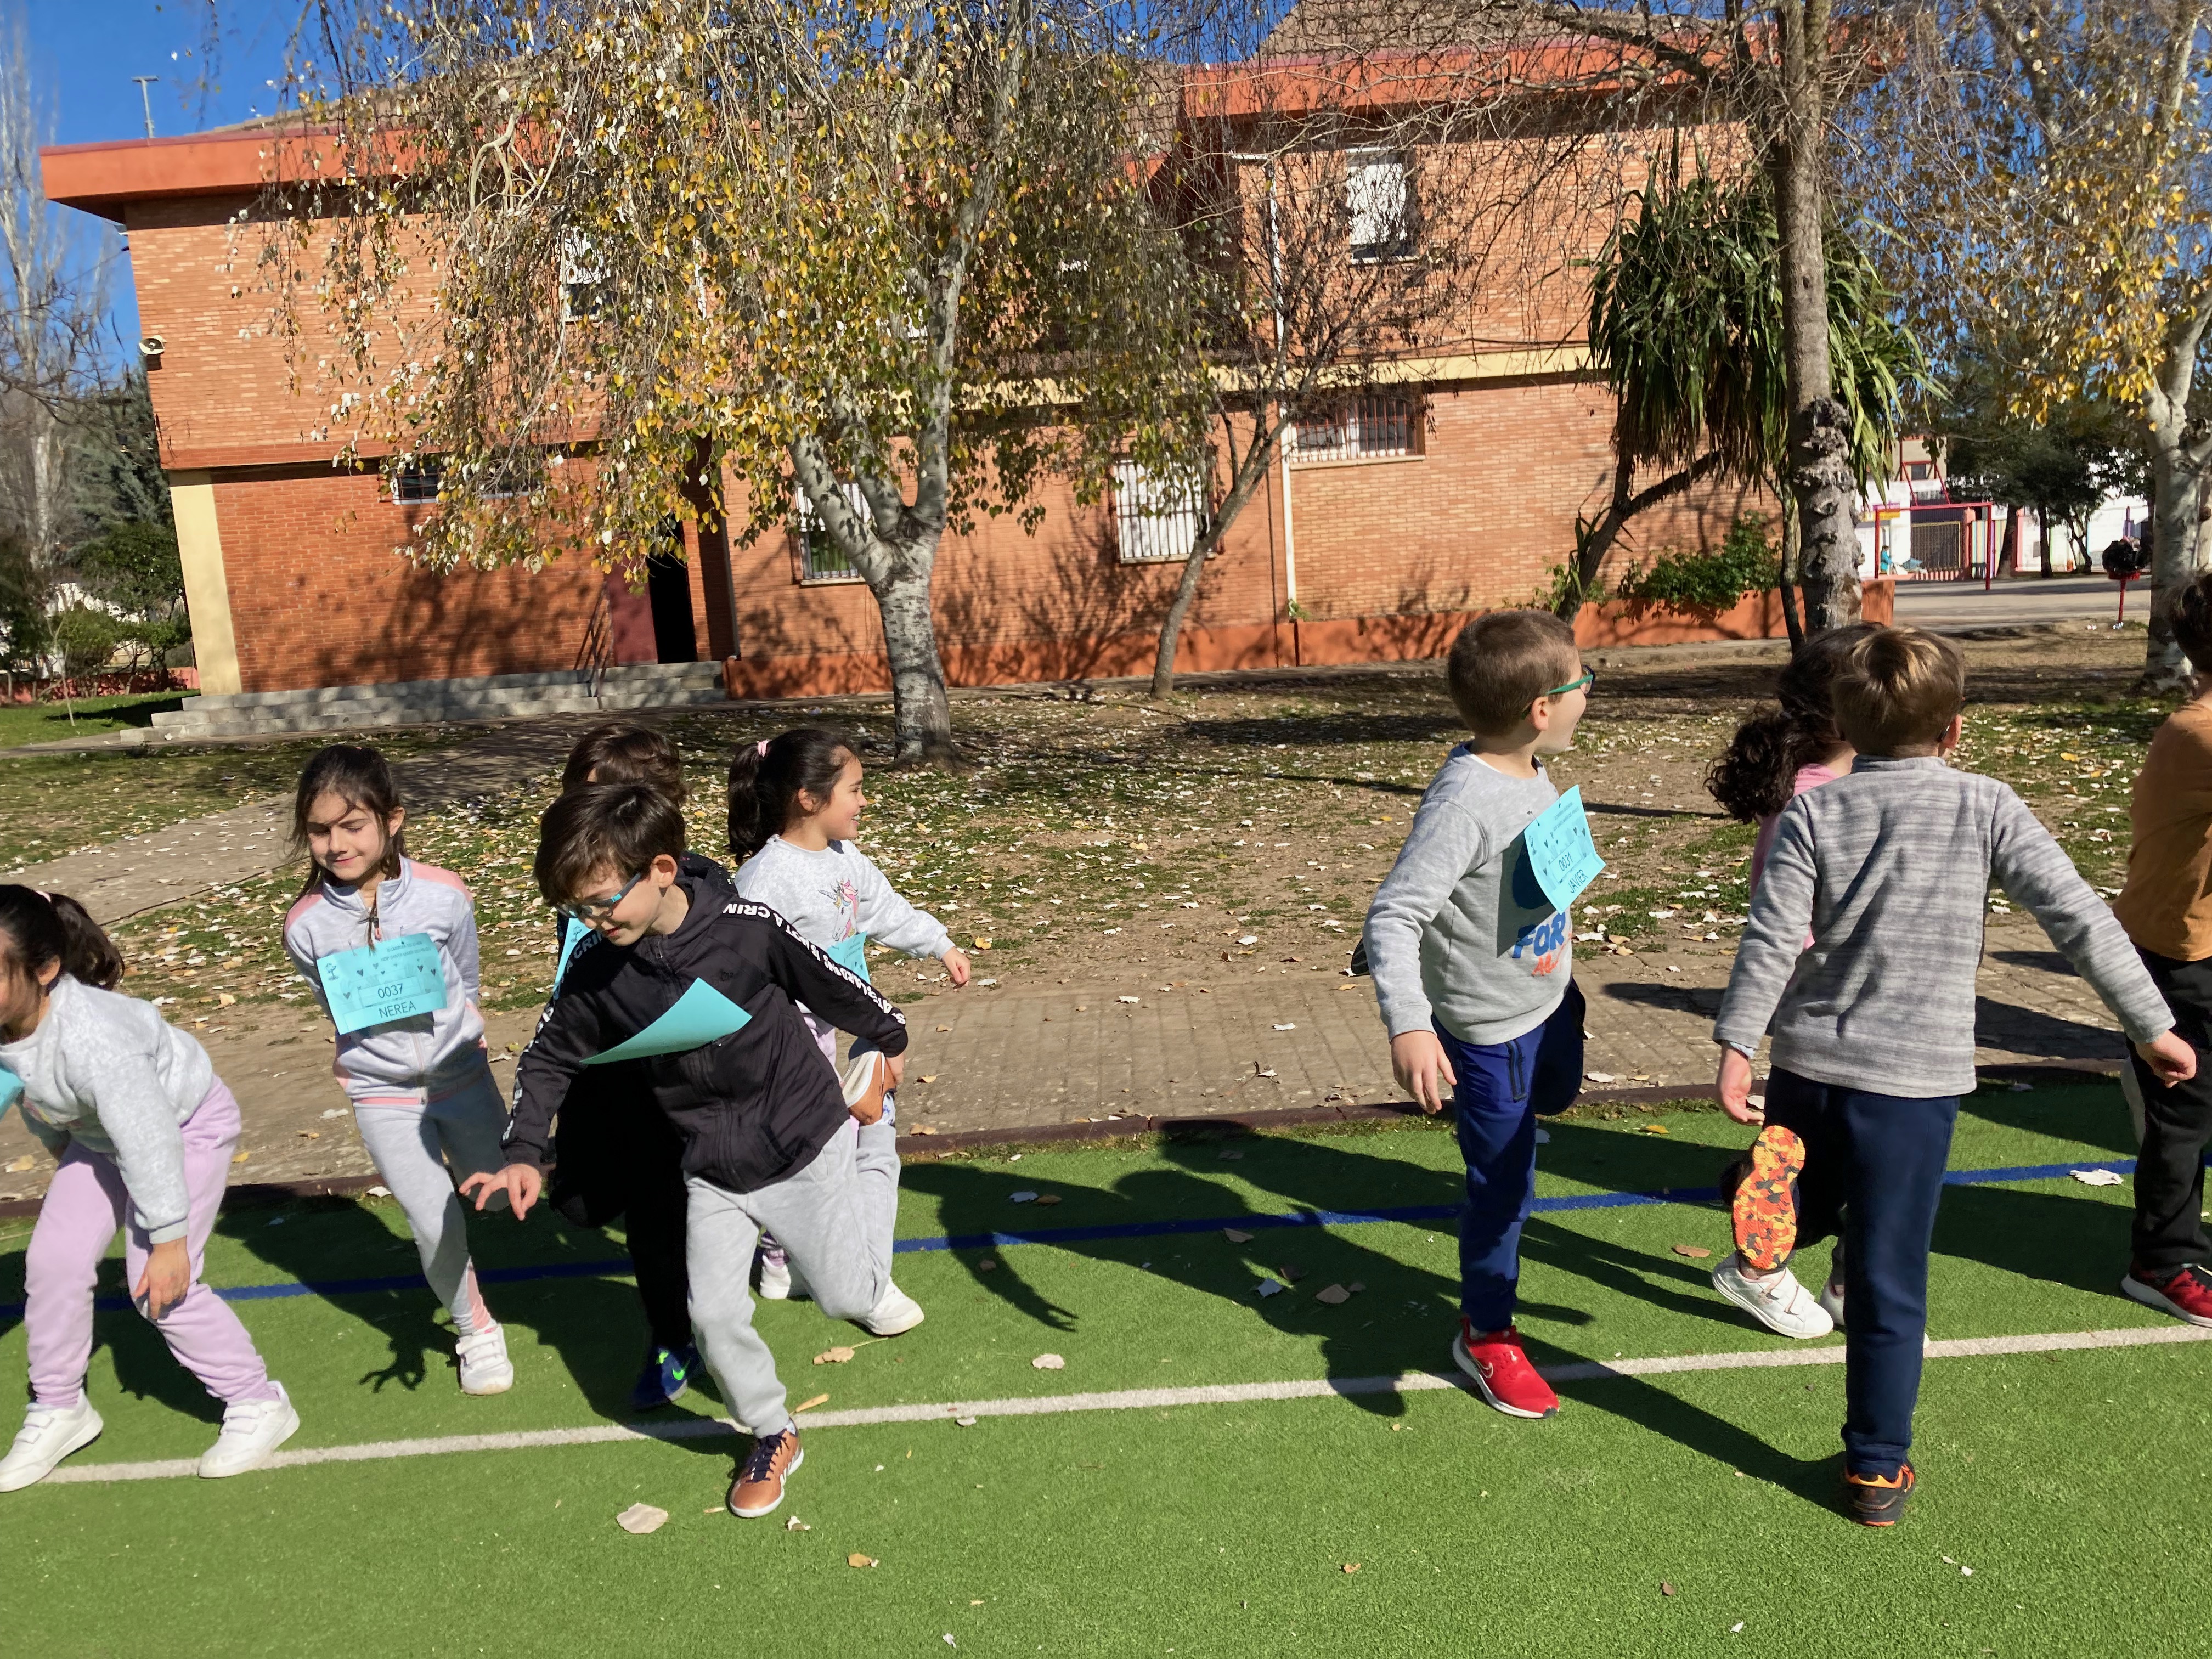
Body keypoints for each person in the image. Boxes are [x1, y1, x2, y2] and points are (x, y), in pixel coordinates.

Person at [1712, 625, 2194, 1526]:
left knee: (1820, 1183)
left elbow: (1771, 937)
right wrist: (2152, 1024)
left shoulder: (1814, 811)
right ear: (1955, 729)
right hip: (1912, 1082)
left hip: (1809, 1066)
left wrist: (1738, 1044)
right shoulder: (1987, 805)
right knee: (1887, 1275)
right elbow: (2079, 919)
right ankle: (1874, 1467)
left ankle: (1788, 1205)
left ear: (1845, 724)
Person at [463, 783, 915, 1520]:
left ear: (663, 870)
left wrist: (888, 1036)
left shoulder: (745, 928)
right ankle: (772, 1431)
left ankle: (874, 1152)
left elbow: (827, 980)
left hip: (802, 1140)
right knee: (712, 1315)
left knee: (848, 1297)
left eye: (603, 902)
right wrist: (521, 1150)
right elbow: (547, 1058)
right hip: (708, 1165)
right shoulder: (595, 969)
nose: (592, 921)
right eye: (577, 910)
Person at [1363, 609, 1592, 1420]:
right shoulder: (1465, 803)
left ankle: (1514, 1122)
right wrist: (1411, 1024)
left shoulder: (1530, 767)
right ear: (1542, 707)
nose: (1589, 693)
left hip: (1549, 1002)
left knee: (1555, 1097)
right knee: (1505, 1192)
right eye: (1584, 681)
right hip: (1489, 1035)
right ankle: (1487, 1334)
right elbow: (1393, 916)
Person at [0, 887, 298, 1489]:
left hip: (183, 1128)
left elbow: (150, 1140)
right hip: (100, 1139)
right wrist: (67, 1164)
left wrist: (169, 1240)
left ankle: (257, 1400)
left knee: (156, 1283)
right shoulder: (10, 1024)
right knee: (54, 1261)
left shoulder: (96, 1040)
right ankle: (60, 1407)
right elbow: (32, 1096)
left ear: (45, 969)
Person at [281, 744, 515, 1397]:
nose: (337, 844)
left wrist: (464, 1030)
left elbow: (465, 972)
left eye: (352, 826)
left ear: (393, 819)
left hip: (463, 1078)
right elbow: (335, 1006)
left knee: (494, 1195)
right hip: (381, 1094)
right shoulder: (305, 927)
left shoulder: (445, 893)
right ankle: (475, 1329)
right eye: (320, 831)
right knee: (432, 1218)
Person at [728, 727, 968, 1303]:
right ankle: (792, 1259)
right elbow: (741, 970)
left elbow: (885, 910)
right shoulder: (764, 879)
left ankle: (796, 1256)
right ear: (809, 798)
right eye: (854, 790)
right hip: (787, 1036)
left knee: (847, 1136)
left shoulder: (845, 858)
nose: (864, 801)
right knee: (813, 1146)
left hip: (843, 1022)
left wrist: (940, 944)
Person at [1701, 623, 1876, 1340]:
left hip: (1868, 1015)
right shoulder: (1811, 800)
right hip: (1822, 1013)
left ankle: (1848, 1281)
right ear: (1847, 712)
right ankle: (1757, 1268)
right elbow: (1781, 929)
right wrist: (1740, 1043)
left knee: (1877, 1161)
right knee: (1800, 1162)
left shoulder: (1860, 781)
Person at [547, 723, 718, 1410]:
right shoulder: (580, 881)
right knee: (582, 1202)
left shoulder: (700, 884)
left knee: (661, 1213)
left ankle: (675, 1334)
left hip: (675, 1078)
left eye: (604, 802)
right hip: (608, 1072)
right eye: (577, 799)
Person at [2112, 572, 2212, 1325]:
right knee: (2185, 1117)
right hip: (2182, 956)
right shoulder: (2199, 732)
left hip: (2187, 943)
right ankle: (2162, 1262)